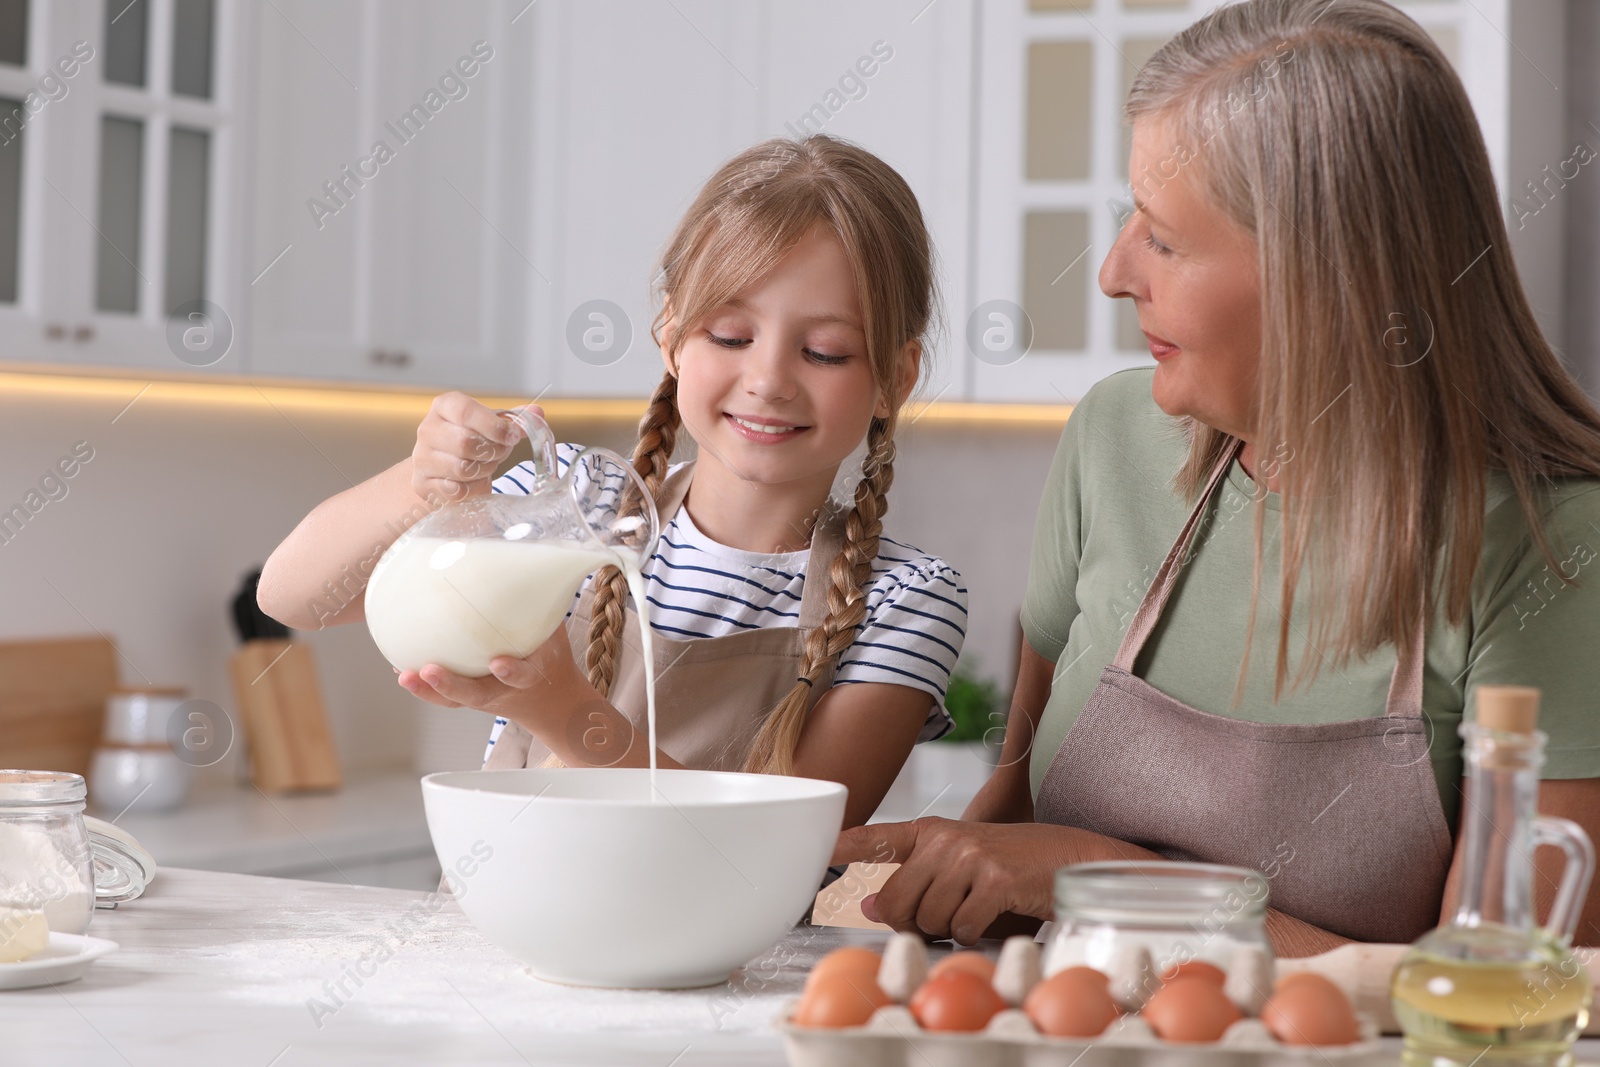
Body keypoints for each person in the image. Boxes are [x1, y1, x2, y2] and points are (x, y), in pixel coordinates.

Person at [833, 0, 1600, 954]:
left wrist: (1096, 879)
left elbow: (1510, 996)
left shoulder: (1554, 545)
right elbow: (1013, 812)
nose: (1112, 273)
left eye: (1161, 236)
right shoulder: (1112, 439)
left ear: (1326, 276)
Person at [258, 136, 967, 830]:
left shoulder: (904, 599)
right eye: (730, 336)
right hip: (495, 939)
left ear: (894, 379)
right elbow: (295, 595)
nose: (769, 380)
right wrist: (424, 486)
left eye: (824, 351)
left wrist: (560, 708)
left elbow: (770, 848)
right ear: (672, 337)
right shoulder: (571, 501)